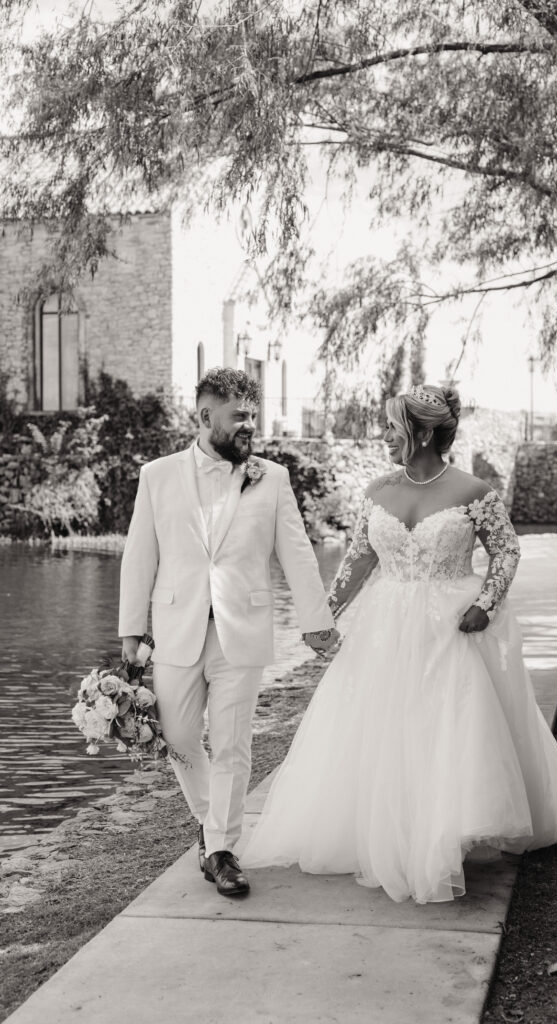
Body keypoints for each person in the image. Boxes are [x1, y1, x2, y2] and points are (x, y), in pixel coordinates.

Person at [241, 383, 557, 904]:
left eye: (392, 428)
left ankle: (447, 831)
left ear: (420, 432)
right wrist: (318, 618)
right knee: (387, 727)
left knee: (448, 726)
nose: (384, 437)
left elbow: (507, 551)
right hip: (386, 627)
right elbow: (357, 565)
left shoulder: (472, 491)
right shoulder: (375, 494)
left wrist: (486, 602)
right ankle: (392, 827)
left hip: (452, 626)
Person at [118, 367, 339, 899]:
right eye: (238, 417)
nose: (248, 427)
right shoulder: (158, 475)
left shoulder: (273, 478)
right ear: (204, 416)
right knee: (178, 738)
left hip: (243, 629)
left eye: (252, 417)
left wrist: (316, 622)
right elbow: (139, 555)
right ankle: (209, 821)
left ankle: (220, 849)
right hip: (176, 627)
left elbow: (298, 554)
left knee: (234, 745)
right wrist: (131, 631)